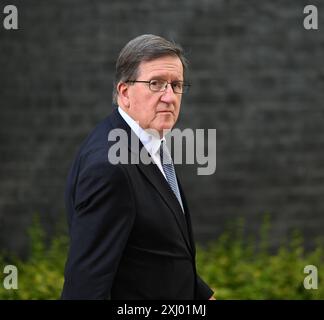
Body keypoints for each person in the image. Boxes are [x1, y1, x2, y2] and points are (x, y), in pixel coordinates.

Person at [61, 34, 214, 300]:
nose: (169, 96)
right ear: (124, 92)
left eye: (176, 85)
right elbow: (85, 289)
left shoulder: (150, 143)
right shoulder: (109, 167)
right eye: (156, 84)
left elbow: (157, 252)